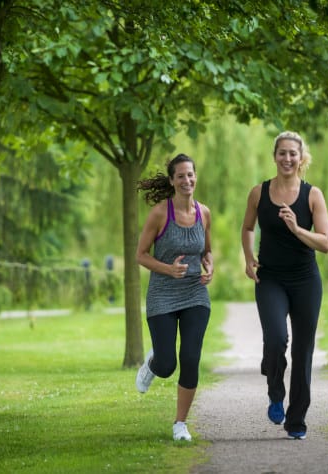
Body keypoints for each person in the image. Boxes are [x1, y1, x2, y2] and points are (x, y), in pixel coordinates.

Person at [241, 131, 328, 440]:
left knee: (303, 351)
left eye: (293, 153)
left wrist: (296, 228)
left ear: (301, 157)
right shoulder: (259, 192)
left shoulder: (312, 195)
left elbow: (325, 243)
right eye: (282, 153)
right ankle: (275, 390)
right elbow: (247, 227)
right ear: (275, 156)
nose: (287, 158)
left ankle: (296, 421)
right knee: (277, 339)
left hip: (306, 280)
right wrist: (249, 256)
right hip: (271, 279)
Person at [135, 153, 214, 442]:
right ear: (172, 180)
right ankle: (153, 363)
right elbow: (140, 255)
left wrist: (210, 267)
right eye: (180, 175)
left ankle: (180, 423)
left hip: (195, 293)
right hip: (163, 295)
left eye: (190, 174)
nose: (187, 180)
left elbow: (206, 250)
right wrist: (168, 269)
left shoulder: (203, 213)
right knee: (168, 365)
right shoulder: (159, 213)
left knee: (191, 358)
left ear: (195, 177)